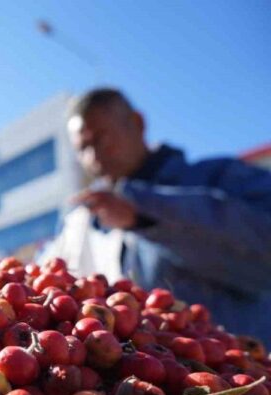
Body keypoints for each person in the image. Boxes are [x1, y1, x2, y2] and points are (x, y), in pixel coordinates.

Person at [44, 88, 271, 343]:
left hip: (248, 371)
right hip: (154, 375)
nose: (94, 157)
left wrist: (143, 213)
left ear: (137, 124)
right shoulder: (91, 219)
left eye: (102, 138)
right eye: (83, 147)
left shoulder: (219, 176)